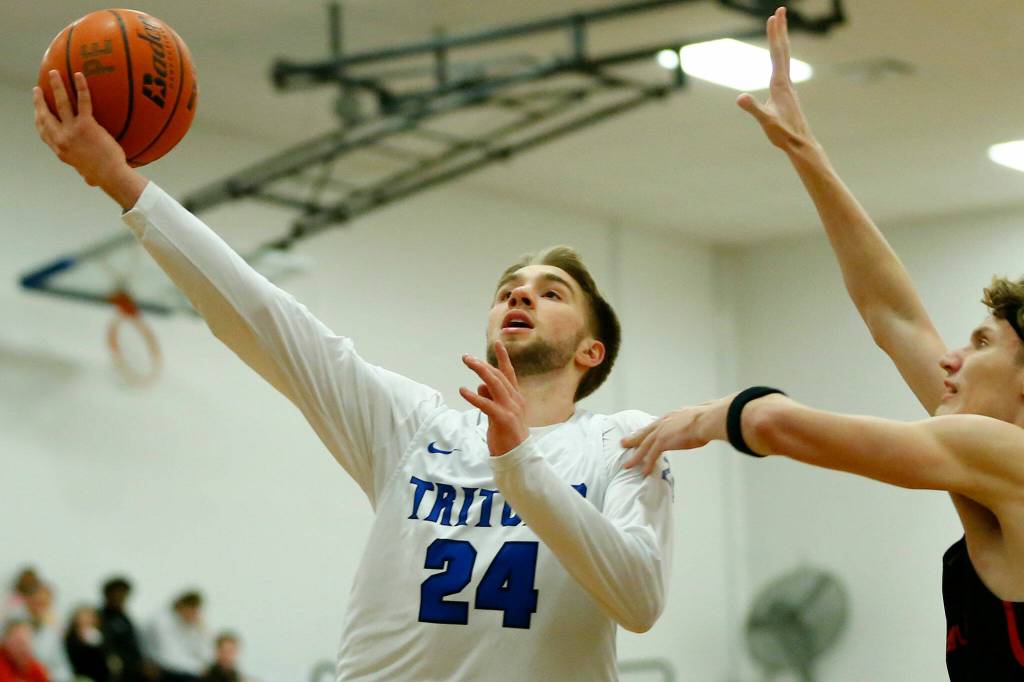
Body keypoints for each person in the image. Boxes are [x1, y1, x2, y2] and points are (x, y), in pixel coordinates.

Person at [32, 66, 674, 680]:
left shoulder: (620, 440)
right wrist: (120, 180)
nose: (520, 296)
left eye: (552, 292)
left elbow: (639, 601)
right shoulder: (417, 427)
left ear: (592, 351)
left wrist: (519, 465)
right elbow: (267, 320)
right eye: (509, 288)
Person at [622, 7, 1024, 680]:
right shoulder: (983, 441)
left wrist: (710, 416)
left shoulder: (1002, 453)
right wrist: (804, 151)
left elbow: (779, 424)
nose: (949, 357)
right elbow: (892, 314)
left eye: (978, 344)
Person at [144, 592, 211, 682]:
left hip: (184, 671)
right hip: (162, 670)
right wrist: (198, 667)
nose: (194, 613)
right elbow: (169, 658)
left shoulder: (191, 624)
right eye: (192, 609)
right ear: (182, 606)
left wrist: (201, 630)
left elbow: (205, 655)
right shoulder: (162, 621)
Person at [98, 577, 154, 682]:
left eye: (123, 594)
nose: (120, 597)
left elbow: (135, 644)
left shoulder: (125, 617)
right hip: (120, 666)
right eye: (117, 594)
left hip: (135, 664)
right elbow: (106, 646)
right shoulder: (100, 617)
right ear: (108, 594)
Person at [64, 606, 109, 682]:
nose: (85, 621)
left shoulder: (99, 638)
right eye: (82, 618)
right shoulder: (69, 639)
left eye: (89, 618)